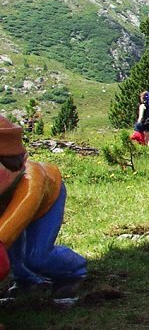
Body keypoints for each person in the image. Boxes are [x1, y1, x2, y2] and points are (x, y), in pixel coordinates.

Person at [0, 116, 87, 307]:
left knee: (37, 255)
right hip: (8, 208)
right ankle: (27, 280)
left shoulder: (31, 181)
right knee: (16, 257)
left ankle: (74, 271)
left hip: (46, 201)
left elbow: (14, 222)